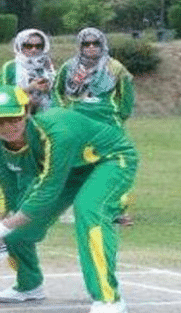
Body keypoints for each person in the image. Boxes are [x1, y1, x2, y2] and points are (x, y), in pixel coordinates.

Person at [0, 85, 138, 313]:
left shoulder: (56, 133)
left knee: (89, 211)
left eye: (13, 118)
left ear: (26, 112)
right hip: (69, 170)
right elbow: (2, 193)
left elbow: (47, 190)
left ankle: (109, 301)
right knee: (17, 230)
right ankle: (29, 285)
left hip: (109, 160)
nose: (7, 127)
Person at [53, 27, 136, 226]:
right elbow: (55, 92)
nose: (91, 47)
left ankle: (114, 210)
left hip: (107, 122)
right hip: (77, 123)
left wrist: (118, 116)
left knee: (113, 165)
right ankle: (69, 208)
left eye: (95, 43)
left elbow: (126, 98)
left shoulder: (115, 68)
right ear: (80, 46)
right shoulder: (69, 67)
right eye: (86, 44)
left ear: (102, 45)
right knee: (74, 164)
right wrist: (63, 113)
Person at [0, 28, 56, 114]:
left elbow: (58, 93)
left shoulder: (47, 66)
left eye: (38, 46)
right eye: (28, 46)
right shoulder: (10, 67)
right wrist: (28, 89)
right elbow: (0, 93)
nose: (34, 50)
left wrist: (48, 87)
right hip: (17, 115)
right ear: (20, 46)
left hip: (45, 114)